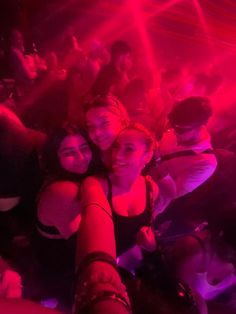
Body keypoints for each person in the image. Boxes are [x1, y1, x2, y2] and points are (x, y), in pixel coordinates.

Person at [35, 124, 95, 309]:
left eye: (84, 148)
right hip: (62, 280)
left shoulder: (72, 179)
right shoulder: (64, 191)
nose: (80, 157)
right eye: (69, 152)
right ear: (55, 157)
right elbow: (88, 248)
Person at [158, 96, 217, 198]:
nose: (175, 132)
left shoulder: (206, 163)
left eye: (181, 130)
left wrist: (160, 170)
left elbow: (173, 194)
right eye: (173, 126)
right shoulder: (174, 131)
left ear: (200, 126)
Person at [84, 94, 129, 168]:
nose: (97, 133)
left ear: (123, 122)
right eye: (91, 127)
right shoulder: (89, 160)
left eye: (105, 123)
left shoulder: (141, 156)